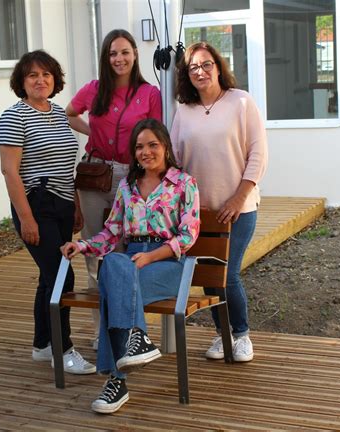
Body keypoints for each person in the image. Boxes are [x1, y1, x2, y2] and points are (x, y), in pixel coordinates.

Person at [61, 118, 200, 414]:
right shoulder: (127, 186)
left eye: (152, 145)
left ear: (165, 146)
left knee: (114, 288)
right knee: (114, 262)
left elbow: (188, 236)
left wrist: (151, 257)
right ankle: (138, 340)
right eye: (139, 147)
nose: (145, 152)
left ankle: (116, 382)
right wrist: (82, 246)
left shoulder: (184, 183)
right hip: (132, 260)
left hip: (168, 263)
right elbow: (112, 232)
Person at [0, 50, 95, 375]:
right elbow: (10, 172)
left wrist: (76, 205)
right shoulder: (14, 117)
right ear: (22, 82)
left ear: (55, 80)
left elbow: (67, 166)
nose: (40, 80)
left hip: (63, 204)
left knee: (49, 276)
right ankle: (62, 350)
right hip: (36, 204)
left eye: (46, 74)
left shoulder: (59, 114)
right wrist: (26, 219)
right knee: (62, 276)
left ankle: (42, 345)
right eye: (33, 75)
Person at [171, 42, 268, 363]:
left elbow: (258, 154)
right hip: (199, 213)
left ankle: (241, 335)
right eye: (193, 67)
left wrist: (239, 197)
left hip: (238, 209)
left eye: (206, 64)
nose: (200, 71)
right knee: (209, 276)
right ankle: (222, 333)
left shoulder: (241, 102)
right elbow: (175, 160)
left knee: (227, 274)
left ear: (218, 66)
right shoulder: (184, 110)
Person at [66, 29, 162, 348]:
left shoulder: (149, 93)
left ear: (135, 54)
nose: (118, 59)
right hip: (95, 175)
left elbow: (156, 137)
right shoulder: (94, 89)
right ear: (105, 58)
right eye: (112, 53)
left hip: (130, 177)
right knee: (94, 253)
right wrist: (91, 132)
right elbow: (69, 113)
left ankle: (125, 329)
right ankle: (101, 332)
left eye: (124, 52)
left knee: (123, 253)